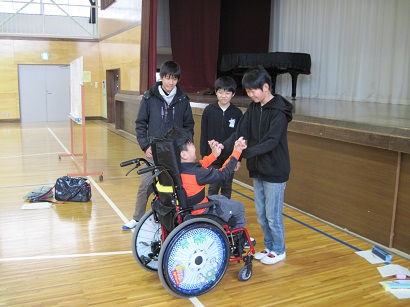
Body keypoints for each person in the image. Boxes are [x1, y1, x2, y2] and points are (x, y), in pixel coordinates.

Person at [224, 66, 293, 265]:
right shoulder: (254, 108)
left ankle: (279, 250)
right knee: (262, 215)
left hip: (275, 170)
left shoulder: (279, 111)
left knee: (273, 215)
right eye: (247, 91)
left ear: (265, 87)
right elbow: (240, 132)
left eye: (253, 90)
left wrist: (244, 153)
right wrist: (227, 148)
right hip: (259, 169)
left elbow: (271, 141)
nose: (250, 94)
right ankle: (270, 246)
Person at [122, 61, 195, 230]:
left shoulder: (183, 99)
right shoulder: (149, 97)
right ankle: (137, 218)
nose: (171, 82)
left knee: (178, 186)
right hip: (153, 151)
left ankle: (180, 217)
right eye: (168, 78)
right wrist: (145, 145)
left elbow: (189, 125)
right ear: (161, 77)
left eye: (175, 79)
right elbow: (141, 123)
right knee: (146, 185)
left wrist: (183, 147)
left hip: (175, 152)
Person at [164, 127, 248, 231]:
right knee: (239, 206)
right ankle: (239, 236)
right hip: (201, 211)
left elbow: (200, 165)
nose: (194, 147)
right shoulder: (197, 174)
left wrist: (214, 155)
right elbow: (223, 173)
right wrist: (236, 152)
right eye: (191, 145)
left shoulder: (177, 168)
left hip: (187, 207)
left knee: (222, 198)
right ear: (184, 155)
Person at [200, 76, 243, 199]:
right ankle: (210, 216)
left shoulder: (237, 113)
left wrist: (239, 160)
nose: (224, 96)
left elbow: (240, 139)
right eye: (220, 92)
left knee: (227, 187)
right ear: (216, 92)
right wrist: (205, 157)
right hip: (213, 157)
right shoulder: (209, 111)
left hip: (230, 157)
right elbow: (204, 135)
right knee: (213, 187)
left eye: (227, 93)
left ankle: (224, 216)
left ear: (233, 94)